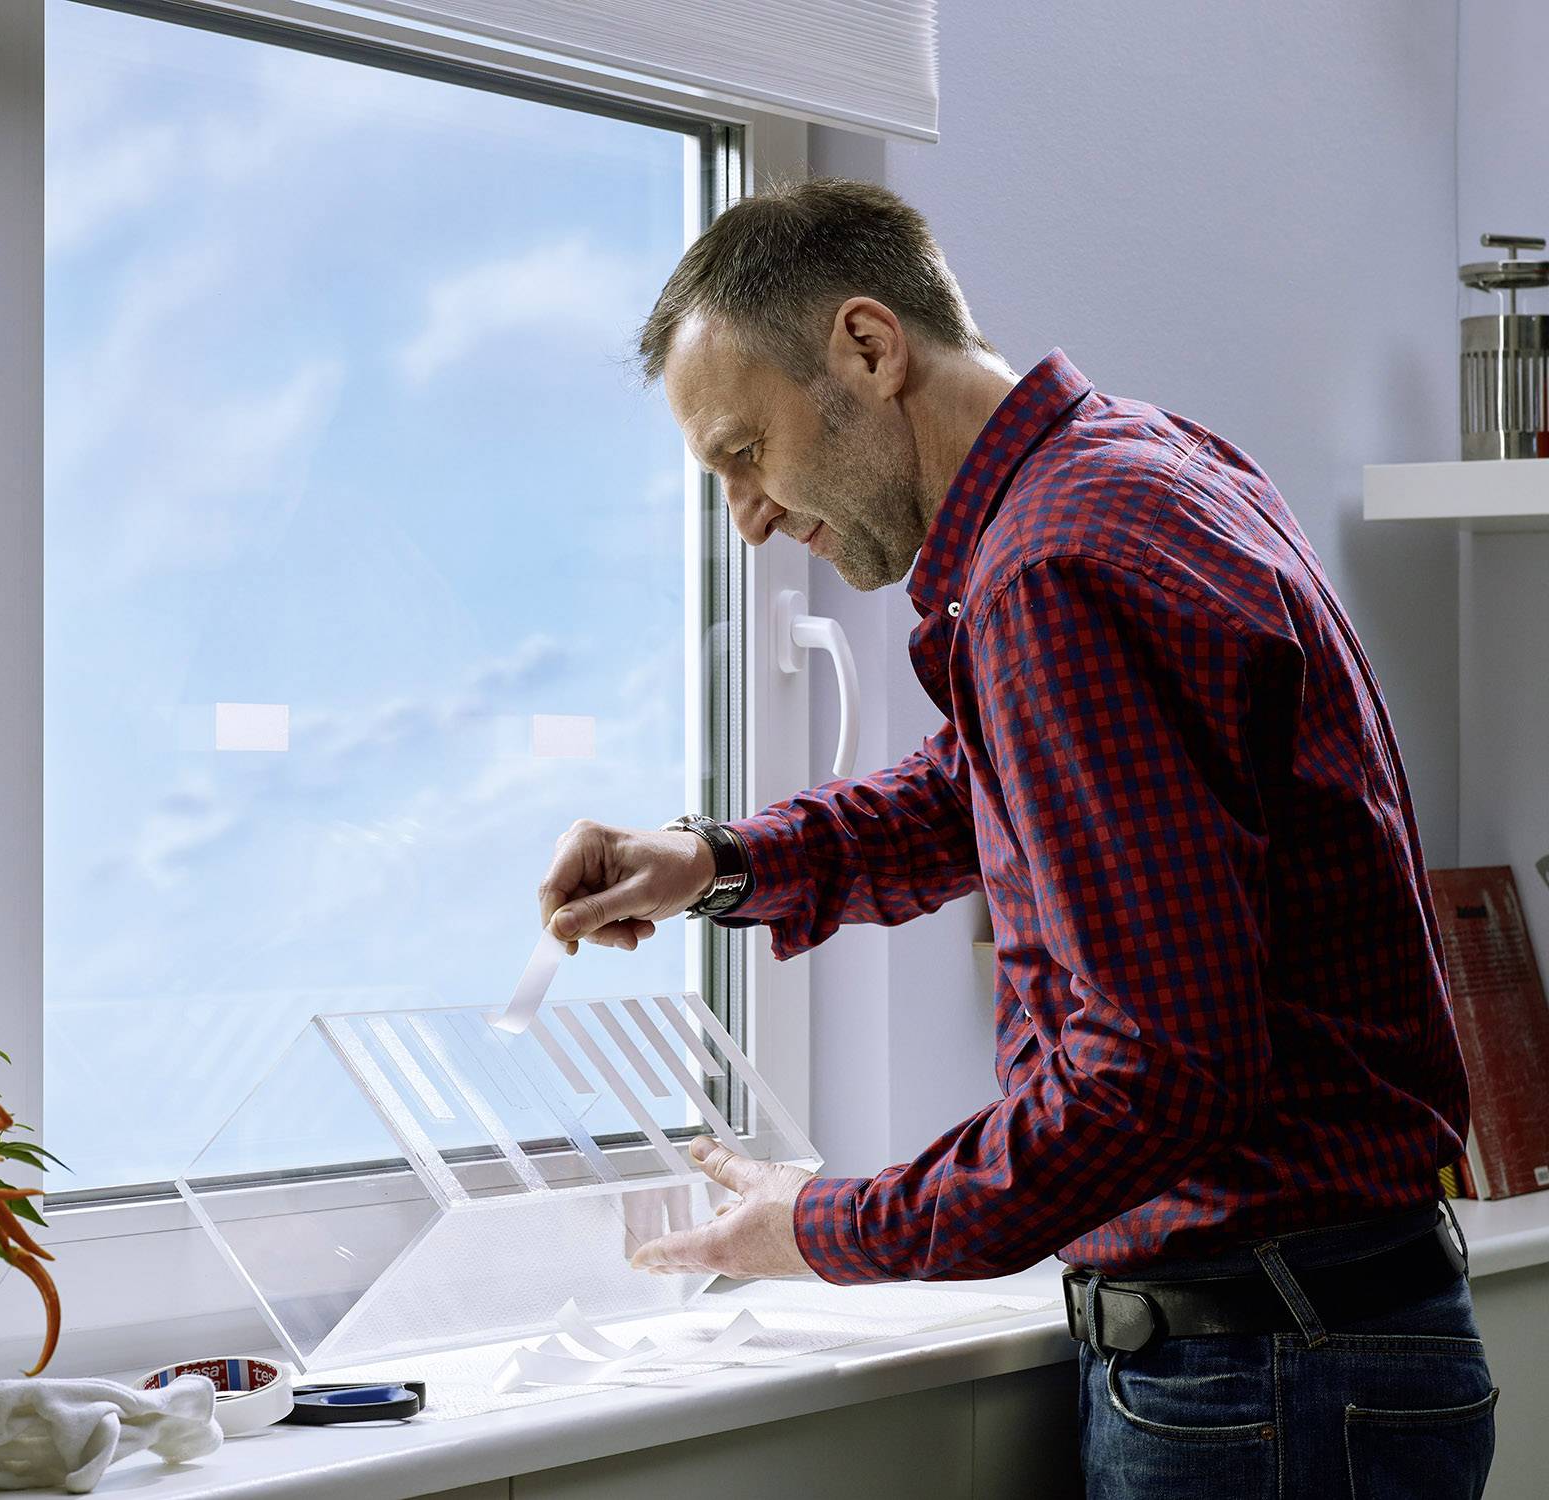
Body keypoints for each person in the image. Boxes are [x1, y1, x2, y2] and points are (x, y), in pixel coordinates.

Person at [533, 178, 1496, 1499]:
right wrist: (718, 864)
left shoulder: (1048, 571)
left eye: (744, 453)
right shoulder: (1148, 464)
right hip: (1328, 1347)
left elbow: (1152, 1079)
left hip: (1263, 1380)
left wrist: (820, 1228)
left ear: (869, 349)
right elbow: (985, 784)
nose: (748, 519)